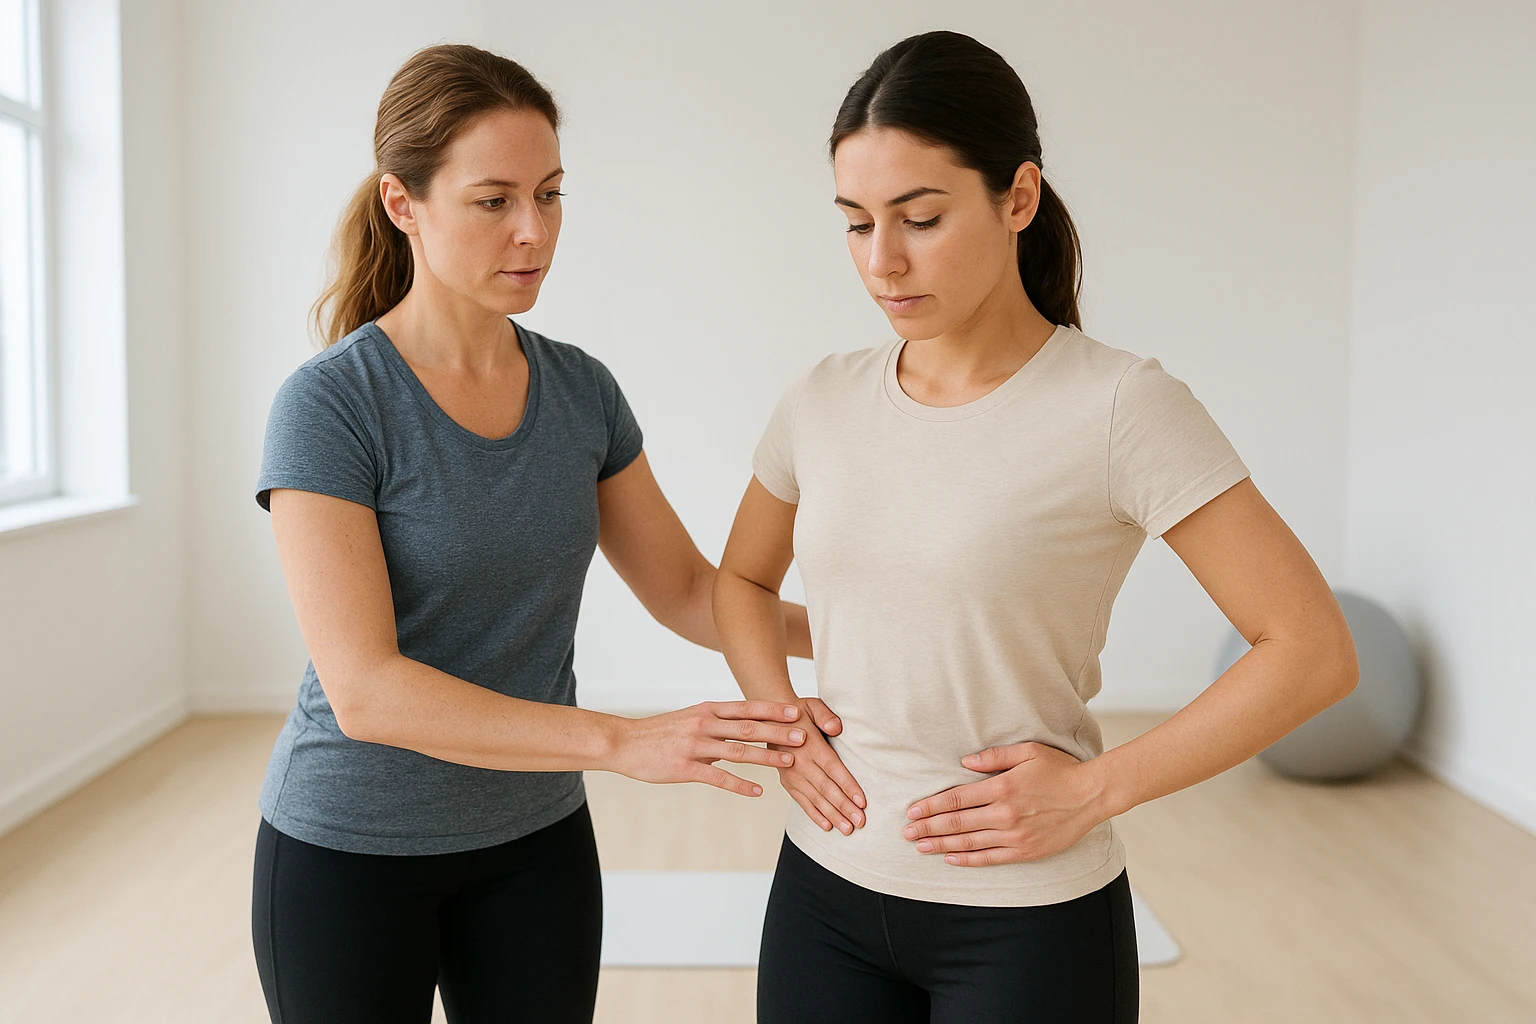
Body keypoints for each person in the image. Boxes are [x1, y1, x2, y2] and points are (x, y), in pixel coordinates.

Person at [714, 30, 1359, 1024]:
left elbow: (1312, 651)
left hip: (1024, 922)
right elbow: (742, 582)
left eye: (920, 218)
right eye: (855, 222)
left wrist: (1097, 789)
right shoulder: (822, 399)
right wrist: (782, 721)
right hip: (824, 898)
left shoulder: (1119, 407)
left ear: (1018, 198)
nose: (881, 261)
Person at [249, 43, 842, 1024]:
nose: (534, 231)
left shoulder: (580, 391)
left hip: (534, 847)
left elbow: (692, 593)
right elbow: (367, 690)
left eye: (552, 194)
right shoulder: (332, 406)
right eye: (494, 201)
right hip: (349, 854)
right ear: (404, 203)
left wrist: (874, 629)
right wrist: (617, 739)